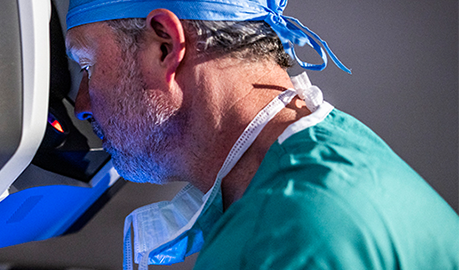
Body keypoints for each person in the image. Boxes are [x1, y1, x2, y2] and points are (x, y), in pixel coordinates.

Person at [63, 0, 459, 269]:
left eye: (86, 65)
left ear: (164, 46)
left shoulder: (287, 236)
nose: (81, 103)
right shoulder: (335, 158)